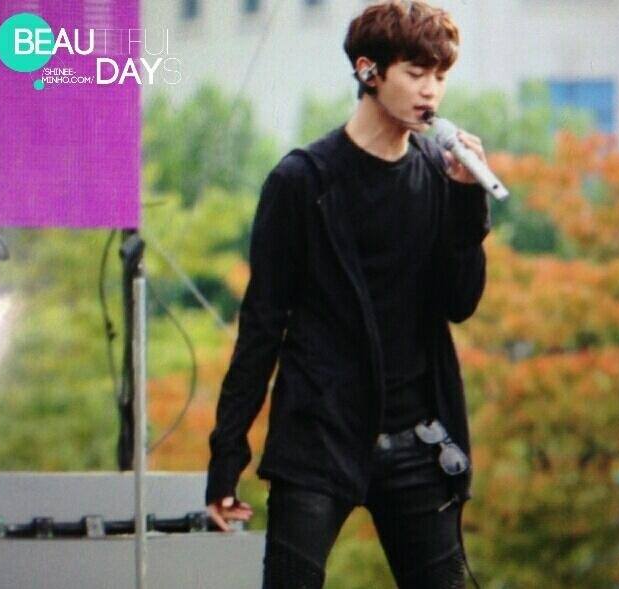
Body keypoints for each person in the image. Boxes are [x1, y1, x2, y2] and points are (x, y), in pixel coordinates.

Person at [205, 2, 490, 587]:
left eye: (440, 76)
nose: (430, 91)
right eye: (415, 73)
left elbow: (460, 303)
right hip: (319, 436)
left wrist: (468, 201)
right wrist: (227, 457)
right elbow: (261, 326)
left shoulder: (438, 174)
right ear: (369, 71)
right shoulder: (302, 180)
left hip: (416, 439)